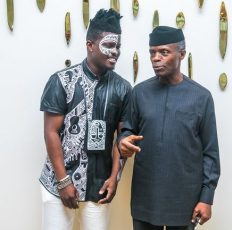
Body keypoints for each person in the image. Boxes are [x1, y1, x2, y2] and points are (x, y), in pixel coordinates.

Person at [118, 26, 220, 230]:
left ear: (181, 54)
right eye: (152, 52)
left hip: (185, 200)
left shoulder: (201, 97)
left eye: (164, 52)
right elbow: (127, 130)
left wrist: (207, 197)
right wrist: (123, 141)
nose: (156, 58)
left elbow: (210, 152)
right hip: (146, 197)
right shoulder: (139, 93)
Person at [39, 9, 131, 230]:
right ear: (90, 45)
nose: (115, 52)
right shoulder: (61, 81)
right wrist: (63, 181)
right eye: (109, 45)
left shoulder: (123, 88)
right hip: (57, 183)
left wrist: (114, 178)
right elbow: (51, 132)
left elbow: (123, 137)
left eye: (118, 46)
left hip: (98, 187)